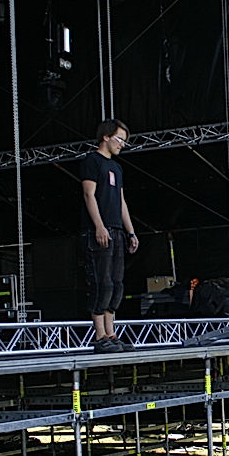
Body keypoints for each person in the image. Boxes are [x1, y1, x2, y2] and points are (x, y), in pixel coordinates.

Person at [80, 118, 138, 353]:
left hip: (117, 230)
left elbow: (122, 201)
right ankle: (99, 334)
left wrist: (131, 232)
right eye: (119, 139)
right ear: (106, 137)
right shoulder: (92, 161)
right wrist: (99, 226)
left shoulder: (117, 168)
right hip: (99, 229)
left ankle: (111, 333)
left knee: (115, 283)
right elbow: (88, 194)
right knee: (100, 282)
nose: (121, 144)